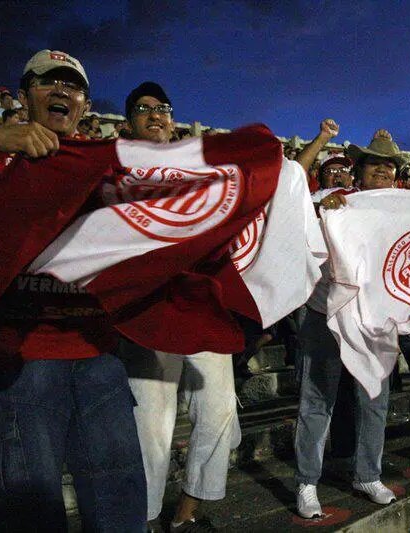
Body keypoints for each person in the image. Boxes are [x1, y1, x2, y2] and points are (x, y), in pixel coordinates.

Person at [0, 49, 146, 530]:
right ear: (26, 94)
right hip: (23, 358)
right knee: (30, 505)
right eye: (47, 82)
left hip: (99, 354)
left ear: (84, 105)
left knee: (118, 498)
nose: (60, 91)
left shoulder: (104, 168)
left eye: (72, 86)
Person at [117, 81, 241, 533]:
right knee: (151, 423)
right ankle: (146, 518)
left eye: (163, 109)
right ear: (128, 122)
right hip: (146, 313)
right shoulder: (117, 171)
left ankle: (188, 510)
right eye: (144, 109)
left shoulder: (200, 171)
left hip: (200, 307)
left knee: (220, 408)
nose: (155, 115)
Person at [294, 132, 405, 519]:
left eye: (389, 165)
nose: (383, 170)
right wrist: (325, 206)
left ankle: (367, 474)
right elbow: (299, 210)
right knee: (317, 398)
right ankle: (307, 482)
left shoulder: (403, 210)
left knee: (374, 397)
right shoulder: (330, 200)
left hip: (374, 316)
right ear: (358, 169)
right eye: (375, 163)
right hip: (326, 311)